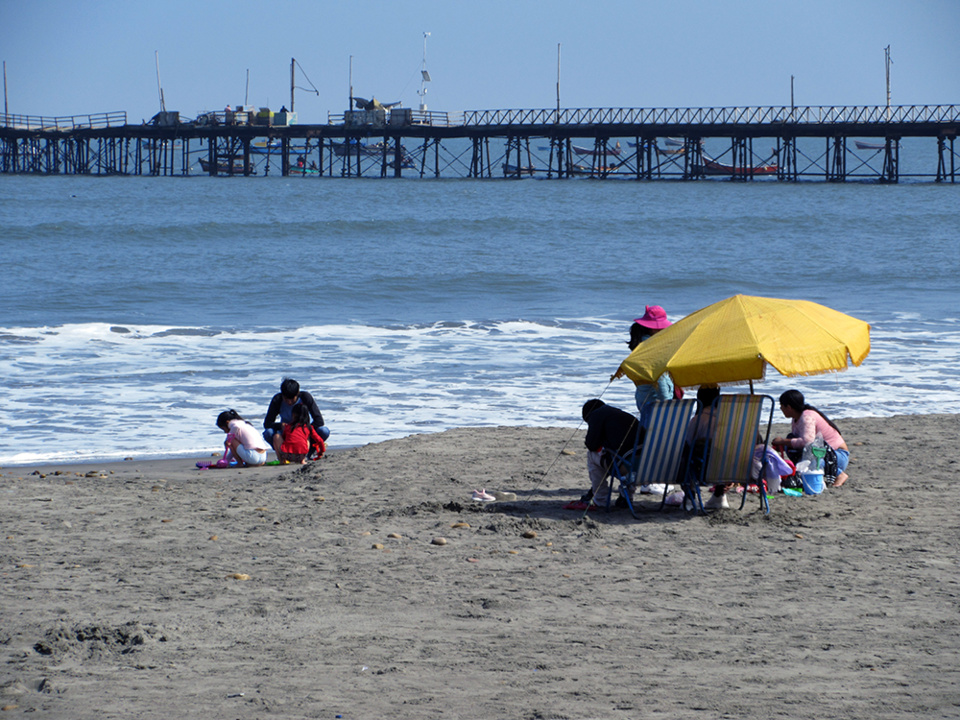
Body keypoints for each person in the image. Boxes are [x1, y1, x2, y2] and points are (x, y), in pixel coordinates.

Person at [564, 399, 640, 511]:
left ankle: (601, 500)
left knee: (593, 455)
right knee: (619, 456)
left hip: (628, 466)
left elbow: (591, 444)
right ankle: (626, 496)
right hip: (648, 467)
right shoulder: (622, 415)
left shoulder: (596, 415)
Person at [772, 389, 851, 487]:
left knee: (812, 463)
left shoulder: (807, 417)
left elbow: (807, 442)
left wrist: (783, 441)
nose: (781, 408)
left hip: (837, 456)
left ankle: (839, 474)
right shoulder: (797, 418)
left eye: (781, 406)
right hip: (821, 453)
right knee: (791, 446)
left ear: (788, 407)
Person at [627, 306, 676, 414]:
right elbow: (659, 380)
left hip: (643, 397)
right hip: (655, 400)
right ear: (654, 328)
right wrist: (667, 403)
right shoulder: (652, 348)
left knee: (649, 428)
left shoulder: (640, 344)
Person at [263, 378, 330, 456]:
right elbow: (267, 423)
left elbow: (319, 421)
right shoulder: (277, 400)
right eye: (286, 399)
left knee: (324, 431)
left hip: (304, 431)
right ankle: (283, 454)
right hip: (287, 432)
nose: (289, 402)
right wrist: (281, 425)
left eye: (292, 399)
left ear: (297, 393)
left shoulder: (305, 397)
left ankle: (309, 452)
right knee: (268, 433)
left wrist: (305, 428)